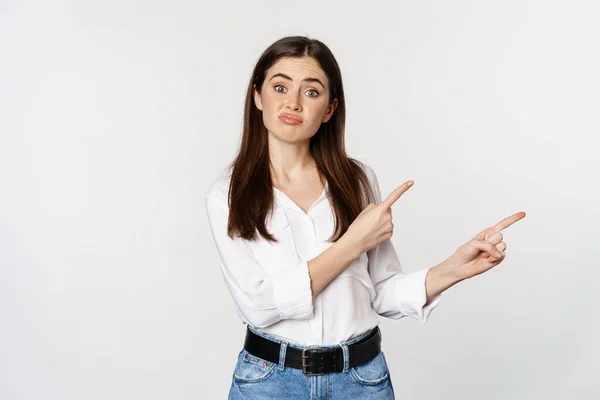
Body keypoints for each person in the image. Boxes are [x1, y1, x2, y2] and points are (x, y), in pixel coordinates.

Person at [204, 35, 525, 399]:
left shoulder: (356, 181)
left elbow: (380, 291)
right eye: (280, 87)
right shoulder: (227, 195)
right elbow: (259, 306)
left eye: (311, 92)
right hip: (268, 383)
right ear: (258, 96)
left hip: (360, 381)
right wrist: (353, 242)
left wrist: (454, 268)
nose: (292, 102)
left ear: (329, 109)